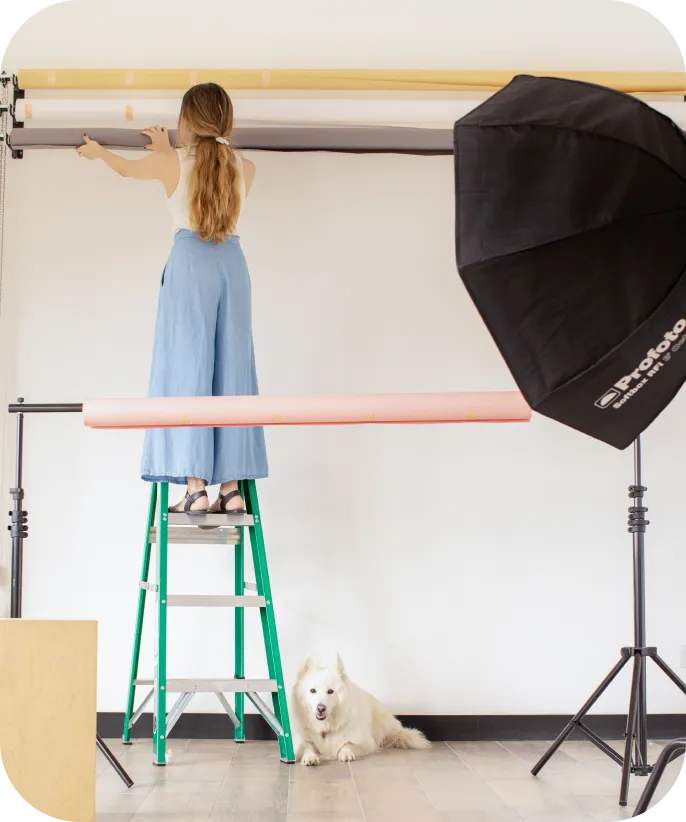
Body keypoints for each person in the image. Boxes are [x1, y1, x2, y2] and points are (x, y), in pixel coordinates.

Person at [77, 83, 267, 514]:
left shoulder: (173, 163)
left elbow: (127, 169)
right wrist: (169, 149)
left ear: (187, 120)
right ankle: (232, 489)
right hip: (232, 267)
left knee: (188, 367)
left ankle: (195, 487)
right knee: (232, 372)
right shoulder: (246, 167)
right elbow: (207, 169)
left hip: (190, 266)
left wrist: (98, 152)